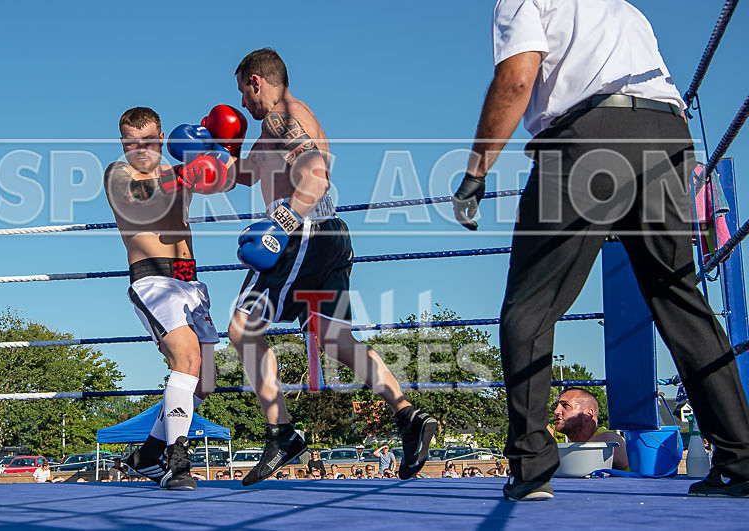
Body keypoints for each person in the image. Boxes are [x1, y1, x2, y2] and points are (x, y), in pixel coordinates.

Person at [453, 0, 749, 500]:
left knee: (530, 305)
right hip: (667, 137)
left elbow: (517, 79)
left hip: (587, 138)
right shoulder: (622, 7)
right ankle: (741, 457)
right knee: (679, 300)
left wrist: (475, 173)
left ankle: (531, 465)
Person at [225, 48, 437, 486]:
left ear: (255, 81)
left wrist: (280, 226)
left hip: (303, 235)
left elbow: (316, 175)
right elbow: (243, 175)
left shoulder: (281, 115)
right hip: (331, 236)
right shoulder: (279, 128)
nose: (243, 104)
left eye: (243, 93)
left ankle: (281, 433)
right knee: (336, 340)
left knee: (243, 328)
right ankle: (408, 415)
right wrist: (215, 154)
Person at [104, 107, 232, 490]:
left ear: (161, 139)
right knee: (186, 356)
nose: (140, 149)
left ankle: (146, 455)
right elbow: (139, 201)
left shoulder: (179, 171)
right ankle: (177, 459)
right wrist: (186, 174)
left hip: (189, 278)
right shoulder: (118, 173)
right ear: (123, 143)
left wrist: (222, 148)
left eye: (148, 141)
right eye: (131, 142)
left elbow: (224, 182)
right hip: (153, 279)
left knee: (204, 382)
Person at [553, 388, 629, 470]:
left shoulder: (608, 439)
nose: (556, 411)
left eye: (565, 405)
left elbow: (571, 467)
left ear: (588, 415)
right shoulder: (577, 445)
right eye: (556, 406)